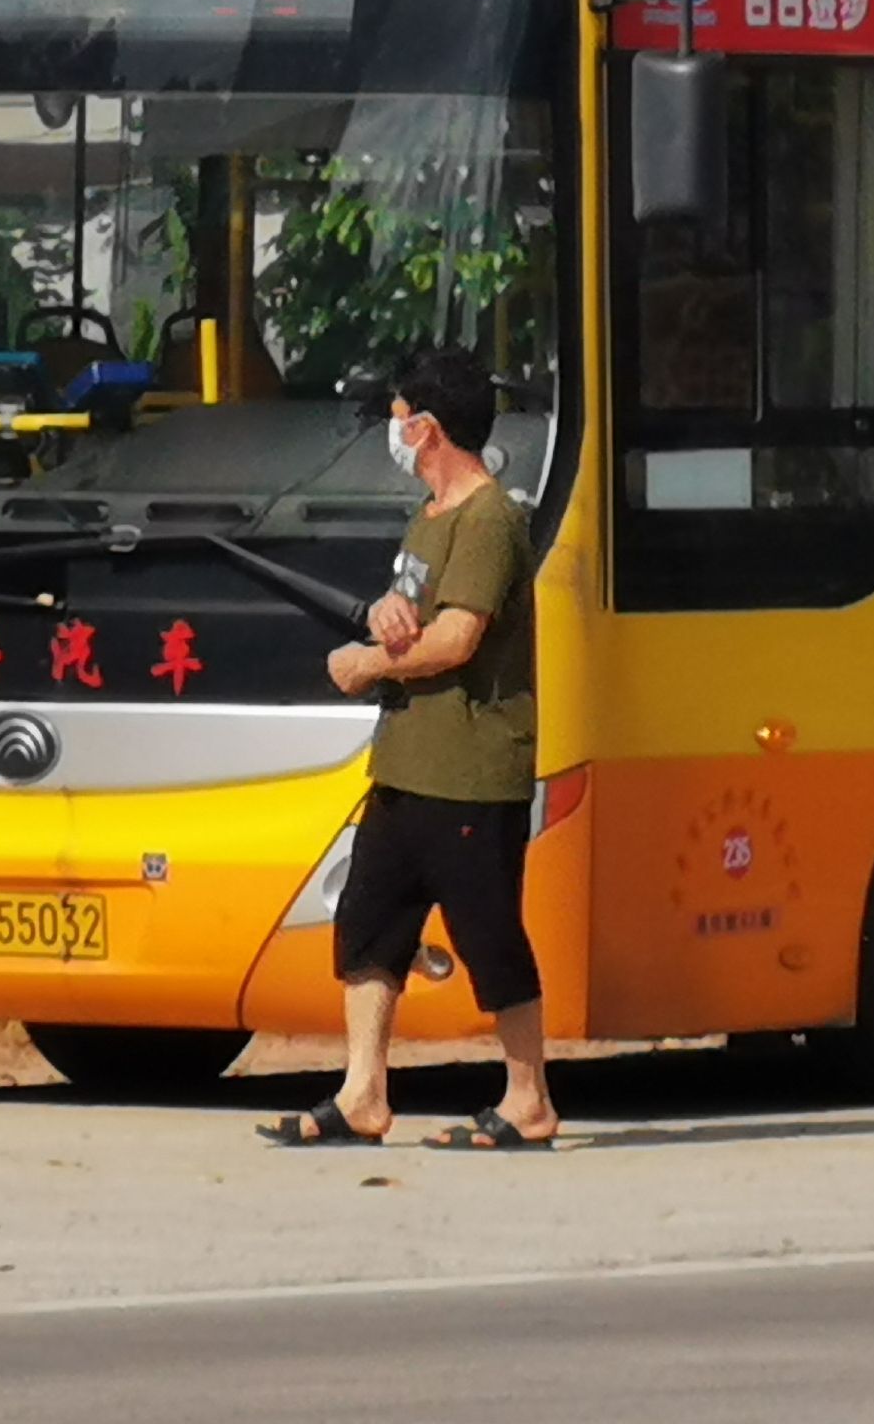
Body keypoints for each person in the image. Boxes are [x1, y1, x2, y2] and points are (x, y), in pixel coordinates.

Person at [259, 345, 555, 1152]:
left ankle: (528, 1098)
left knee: (489, 934)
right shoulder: (428, 518)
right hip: (405, 761)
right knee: (367, 925)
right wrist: (391, 612)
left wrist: (366, 662)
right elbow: (417, 605)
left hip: (470, 769)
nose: (392, 435)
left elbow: (457, 639)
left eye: (398, 420)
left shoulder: (490, 518)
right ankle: (363, 1094)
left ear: (427, 430)